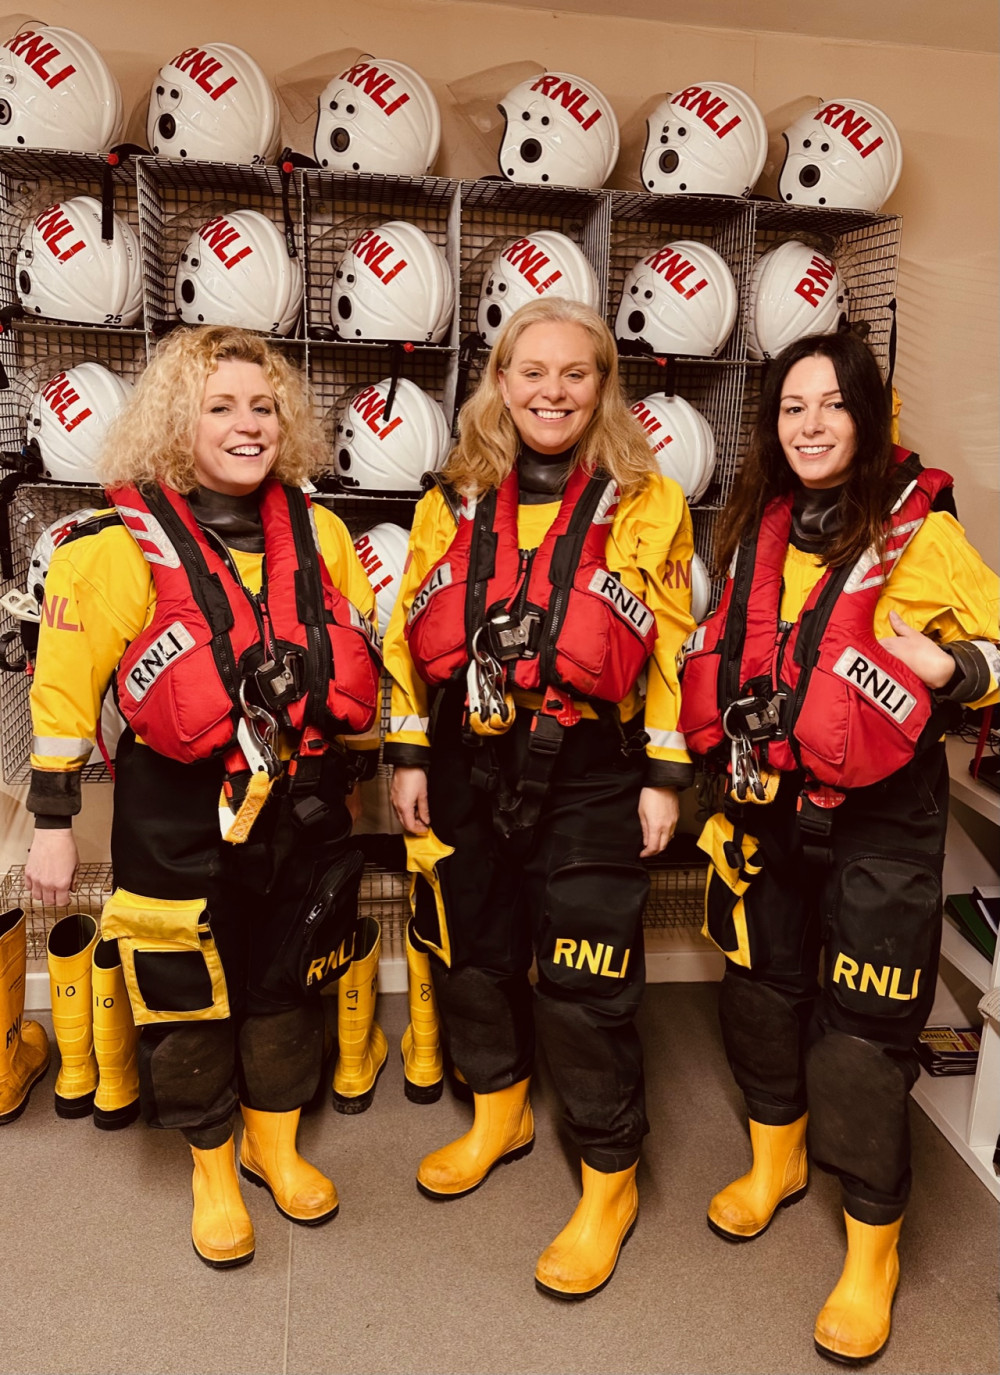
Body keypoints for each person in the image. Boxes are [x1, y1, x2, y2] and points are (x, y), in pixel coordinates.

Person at [24, 325, 382, 1269]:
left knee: (286, 968)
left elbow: (356, 666)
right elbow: (63, 685)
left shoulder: (324, 534)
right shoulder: (109, 548)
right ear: (178, 422)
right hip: (174, 807)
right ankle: (213, 1161)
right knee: (183, 986)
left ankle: (273, 1137)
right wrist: (52, 822)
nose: (247, 423)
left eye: (262, 406)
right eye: (220, 406)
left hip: (300, 799)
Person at [679, 329, 999, 1363]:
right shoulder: (751, 531)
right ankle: (775, 1162)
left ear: (866, 418)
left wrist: (951, 668)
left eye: (831, 405)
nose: (811, 424)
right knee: (760, 991)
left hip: (881, 816)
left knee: (863, 1034)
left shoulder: (923, 539)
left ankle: (872, 1245)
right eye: (791, 408)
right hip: (761, 803)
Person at [382, 297, 695, 1300]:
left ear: (602, 385)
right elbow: (402, 641)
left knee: (584, 978)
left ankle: (609, 1179)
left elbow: (675, 648)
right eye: (531, 371)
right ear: (499, 380)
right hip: (466, 760)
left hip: (591, 771)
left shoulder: (649, 501)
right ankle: (501, 1109)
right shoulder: (453, 496)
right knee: (471, 952)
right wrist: (409, 753)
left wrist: (663, 776)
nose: (551, 393)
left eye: (575, 373)